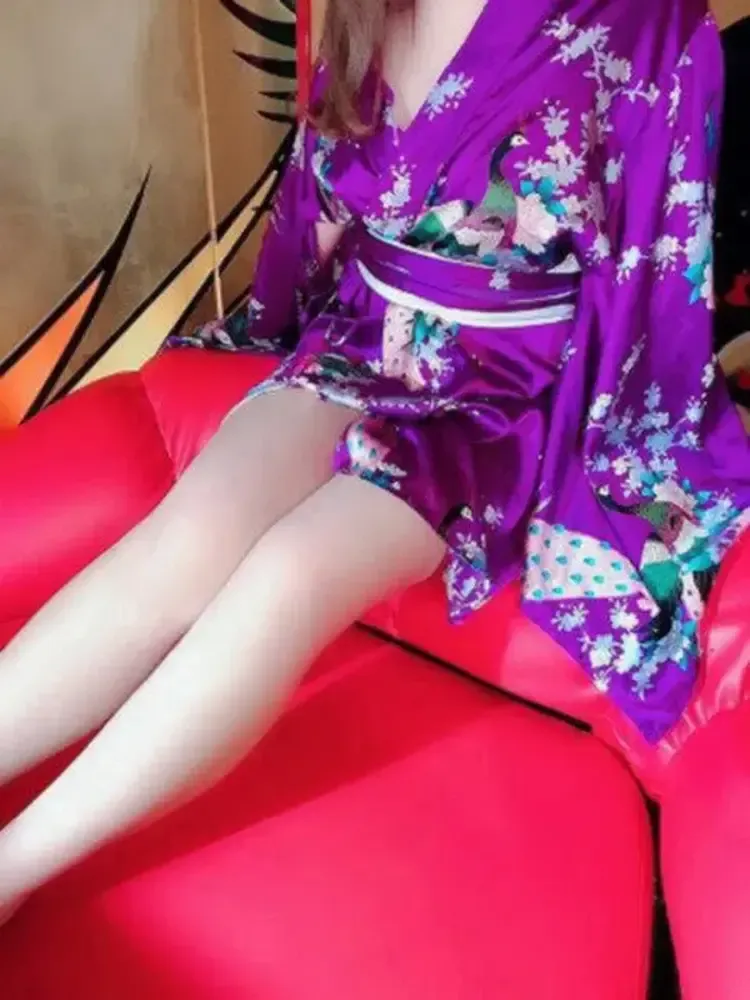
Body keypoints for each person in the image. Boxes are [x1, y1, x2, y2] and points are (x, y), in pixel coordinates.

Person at [0, 0, 748, 924]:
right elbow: (315, 206)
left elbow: (660, 262)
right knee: (186, 538)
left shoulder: (649, 19)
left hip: (503, 395)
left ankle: (11, 872)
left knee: (290, 574)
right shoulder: (363, 6)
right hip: (361, 332)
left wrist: (613, 439)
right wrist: (272, 327)